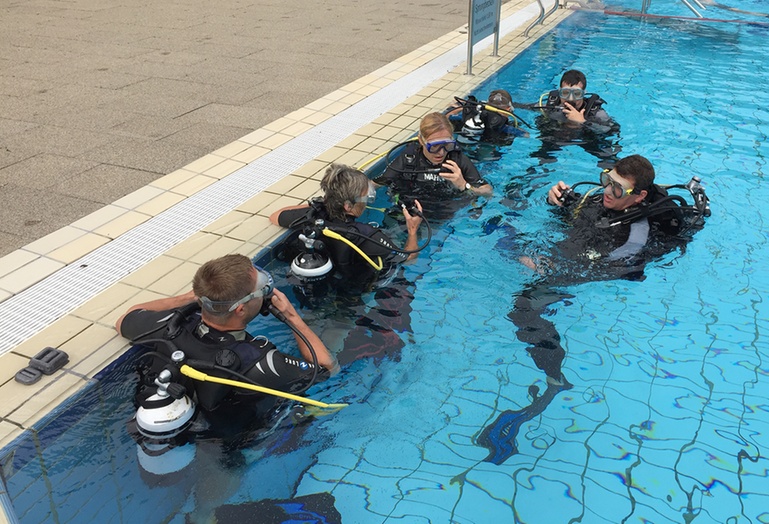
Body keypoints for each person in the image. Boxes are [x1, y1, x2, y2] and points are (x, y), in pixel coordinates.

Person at [477, 155, 710, 464]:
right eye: (606, 181)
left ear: (639, 196)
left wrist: (550, 270)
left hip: (578, 268)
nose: (606, 192)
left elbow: (607, 270)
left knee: (523, 307)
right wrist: (554, 203)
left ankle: (555, 378)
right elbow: (570, 220)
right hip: (565, 252)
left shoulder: (634, 233)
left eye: (617, 189)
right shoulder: (599, 201)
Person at [116, 254, 337, 419]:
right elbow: (328, 368)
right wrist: (291, 316)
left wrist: (186, 299)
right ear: (240, 309)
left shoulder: (167, 326)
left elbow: (125, 318)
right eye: (260, 286)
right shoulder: (261, 362)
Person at [270, 163, 424, 288]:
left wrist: (322, 204)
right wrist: (412, 230)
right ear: (348, 206)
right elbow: (410, 258)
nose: (366, 202)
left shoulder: (311, 218)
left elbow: (275, 216)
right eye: (365, 198)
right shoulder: (365, 236)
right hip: (352, 294)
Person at [373, 112, 493, 220]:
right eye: (434, 146)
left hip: (445, 214)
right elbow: (376, 183)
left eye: (447, 145)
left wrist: (464, 185)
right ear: (421, 140)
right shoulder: (409, 159)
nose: (441, 152)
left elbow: (488, 191)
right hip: (411, 212)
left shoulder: (457, 159)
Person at [449, 89, 529, 142]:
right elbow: (526, 135)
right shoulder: (505, 128)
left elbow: (447, 117)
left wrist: (463, 108)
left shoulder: (470, 119)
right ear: (508, 109)